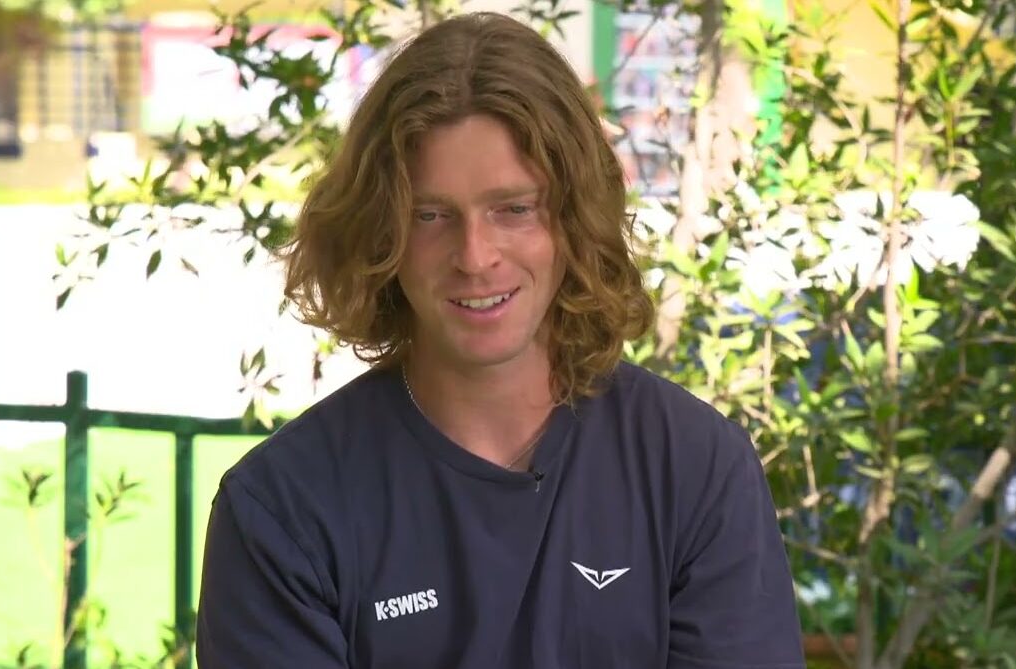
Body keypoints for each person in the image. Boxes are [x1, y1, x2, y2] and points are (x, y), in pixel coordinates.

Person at [196, 12, 805, 669]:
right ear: (382, 232)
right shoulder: (285, 509)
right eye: (430, 215)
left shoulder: (693, 467)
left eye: (514, 209)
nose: (475, 255)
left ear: (575, 217)